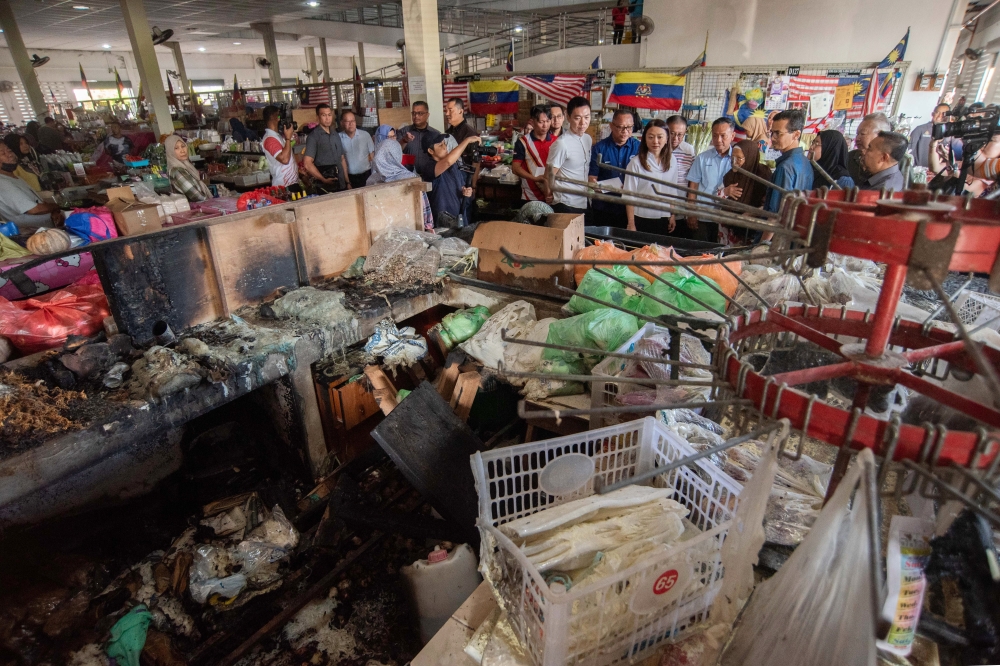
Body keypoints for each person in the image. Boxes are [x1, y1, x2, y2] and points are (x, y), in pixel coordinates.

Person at [684, 117, 735, 241]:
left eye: (723, 136)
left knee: (721, 255)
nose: (718, 140)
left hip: (726, 218)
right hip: (703, 216)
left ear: (732, 136)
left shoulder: (737, 159)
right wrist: (691, 213)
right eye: (715, 135)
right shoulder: (702, 158)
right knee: (700, 253)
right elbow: (693, 187)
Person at [588, 109, 641, 228]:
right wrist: (609, 187)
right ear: (611, 126)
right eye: (621, 127)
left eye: (629, 127)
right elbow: (592, 180)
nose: (625, 132)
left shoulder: (639, 148)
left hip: (629, 209)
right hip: (604, 207)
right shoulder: (599, 148)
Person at [419, 131, 482, 228]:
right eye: (440, 145)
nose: (445, 147)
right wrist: (467, 140)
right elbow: (448, 161)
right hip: (442, 223)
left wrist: (466, 191)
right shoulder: (429, 168)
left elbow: (460, 186)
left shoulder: (454, 166)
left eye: (445, 143)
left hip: (459, 219)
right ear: (431, 151)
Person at [367, 139, 434, 229]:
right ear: (397, 155)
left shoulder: (371, 180)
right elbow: (424, 207)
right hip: (410, 228)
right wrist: (428, 226)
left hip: (382, 230)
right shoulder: (410, 177)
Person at [624, 119, 675, 234]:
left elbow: (672, 190)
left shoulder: (672, 161)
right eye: (650, 137)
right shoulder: (635, 163)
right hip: (642, 218)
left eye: (660, 137)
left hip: (663, 217)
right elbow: (629, 196)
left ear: (667, 139)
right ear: (644, 139)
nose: (655, 141)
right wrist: (631, 223)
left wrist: (672, 214)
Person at [546, 96, 592, 216]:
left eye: (587, 117)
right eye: (577, 118)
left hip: (583, 201)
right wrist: (549, 193)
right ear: (568, 117)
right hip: (565, 203)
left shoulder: (588, 139)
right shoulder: (562, 143)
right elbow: (549, 174)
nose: (583, 123)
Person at [719, 140, 772, 245]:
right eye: (732, 157)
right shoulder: (729, 176)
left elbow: (770, 204)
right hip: (728, 228)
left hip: (752, 230)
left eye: (739, 158)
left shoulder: (763, 175)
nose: (734, 162)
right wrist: (725, 191)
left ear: (750, 157)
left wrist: (752, 213)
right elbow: (717, 197)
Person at [0, 141, 62, 229]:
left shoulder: (13, 177)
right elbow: (34, 210)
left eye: (9, 151)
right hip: (34, 231)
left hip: (46, 225)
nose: (10, 155)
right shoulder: (3, 183)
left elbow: (37, 201)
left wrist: (53, 210)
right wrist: (57, 206)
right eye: (3, 153)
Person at [765, 109, 813, 214]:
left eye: (778, 133)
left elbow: (776, 215)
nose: (773, 138)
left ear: (796, 135)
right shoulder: (806, 162)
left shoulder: (785, 167)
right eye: (772, 132)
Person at [512, 104, 556, 204]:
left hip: (552, 195)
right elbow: (515, 168)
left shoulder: (556, 142)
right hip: (530, 195)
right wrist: (535, 178)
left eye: (548, 121)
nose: (545, 125)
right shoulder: (523, 142)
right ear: (532, 121)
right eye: (541, 122)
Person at [302, 103, 348, 191]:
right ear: (318, 117)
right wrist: (323, 179)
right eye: (324, 115)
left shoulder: (335, 134)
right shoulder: (313, 137)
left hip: (341, 184)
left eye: (329, 115)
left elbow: (342, 159)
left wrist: (347, 182)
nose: (327, 118)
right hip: (325, 186)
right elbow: (307, 163)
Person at [261, 105, 301, 189]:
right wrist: (288, 138)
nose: (280, 118)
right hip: (284, 186)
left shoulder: (277, 136)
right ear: (273, 117)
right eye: (278, 115)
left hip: (291, 183)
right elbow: (284, 159)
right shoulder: (270, 139)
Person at [444, 97, 480, 186]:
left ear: (460, 111)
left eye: (450, 110)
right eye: (446, 110)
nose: (447, 113)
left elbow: (476, 162)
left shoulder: (470, 133)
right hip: (450, 177)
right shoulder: (448, 132)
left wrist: (473, 186)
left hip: (464, 179)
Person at [164, 135, 211, 202]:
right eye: (176, 148)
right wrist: (213, 202)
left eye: (183, 146)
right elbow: (197, 196)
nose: (182, 151)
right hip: (194, 208)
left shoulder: (185, 166)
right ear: (170, 152)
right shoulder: (177, 171)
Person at [848, 112, 891, 184]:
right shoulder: (849, 157)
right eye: (857, 134)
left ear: (880, 135)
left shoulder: (898, 162)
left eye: (862, 134)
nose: (857, 138)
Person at [399, 101, 439, 174]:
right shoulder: (404, 132)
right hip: (408, 175)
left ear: (427, 115)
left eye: (420, 113)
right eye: (414, 113)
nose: (416, 116)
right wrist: (404, 140)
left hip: (430, 175)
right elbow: (395, 151)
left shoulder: (435, 134)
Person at [338, 110, 374, 189]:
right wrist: (347, 182)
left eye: (353, 120)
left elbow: (372, 156)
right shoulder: (338, 138)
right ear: (342, 123)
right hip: (350, 178)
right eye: (347, 121)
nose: (351, 124)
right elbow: (341, 160)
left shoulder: (365, 135)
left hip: (367, 176)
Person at [909, 103, 950, 169]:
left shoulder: (950, 133)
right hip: (919, 172)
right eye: (937, 112)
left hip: (940, 173)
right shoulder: (920, 129)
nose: (940, 116)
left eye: (944, 114)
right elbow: (908, 153)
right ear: (932, 114)